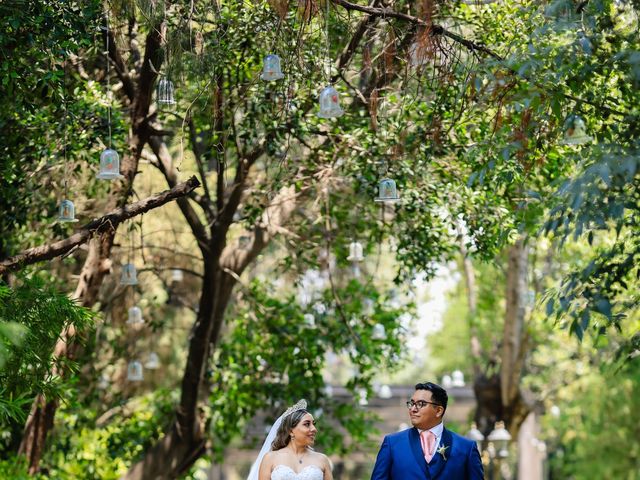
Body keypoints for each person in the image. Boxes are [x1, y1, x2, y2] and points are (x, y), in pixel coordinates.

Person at [371, 382, 484, 480]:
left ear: (439, 410)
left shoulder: (466, 448)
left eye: (420, 404)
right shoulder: (392, 444)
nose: (413, 409)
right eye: (411, 403)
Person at [247, 399, 333, 480]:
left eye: (313, 424)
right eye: (307, 424)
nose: (314, 429)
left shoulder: (322, 460)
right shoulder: (270, 458)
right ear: (291, 431)